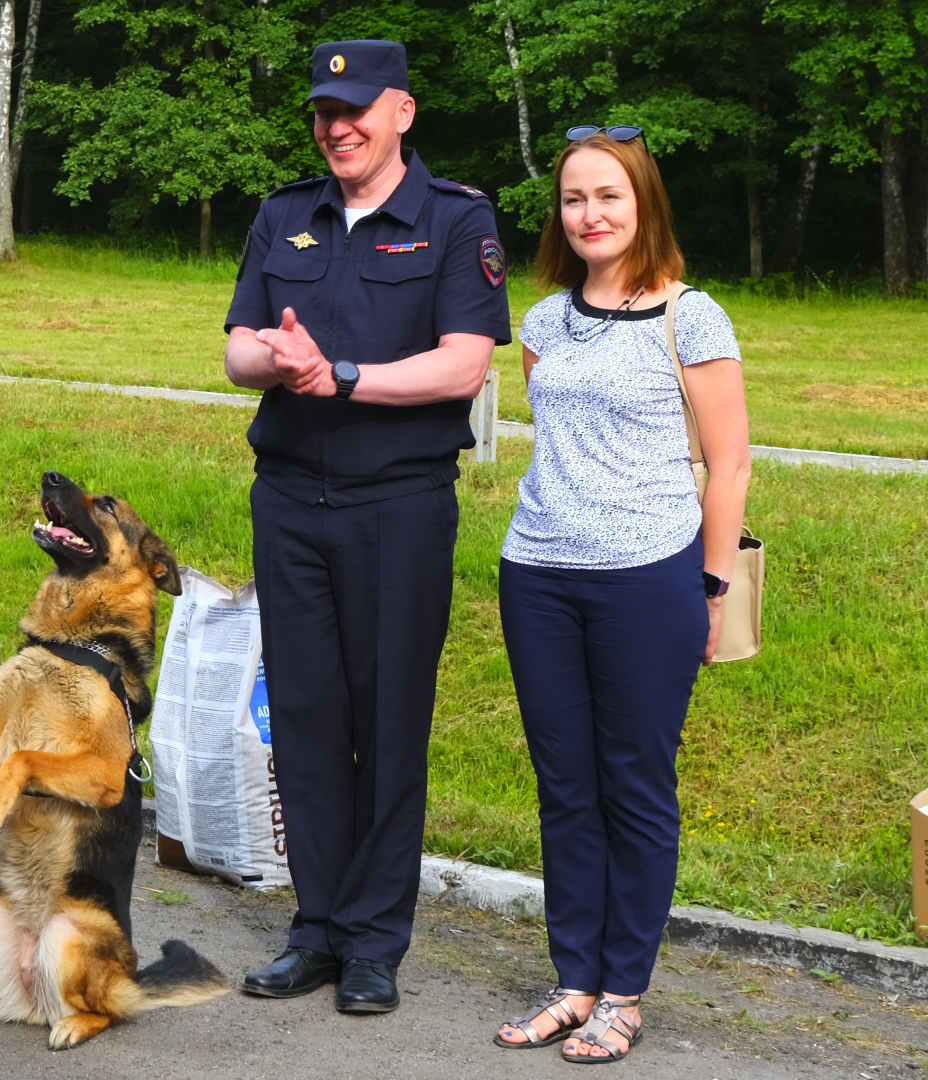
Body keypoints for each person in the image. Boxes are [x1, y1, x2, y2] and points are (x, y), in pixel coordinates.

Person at [222, 39, 511, 1013]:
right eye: (322, 111)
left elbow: (464, 364)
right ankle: (317, 928)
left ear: (402, 112)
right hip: (291, 499)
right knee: (305, 718)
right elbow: (234, 350)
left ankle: (377, 940)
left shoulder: (455, 220)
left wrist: (340, 374)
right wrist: (280, 362)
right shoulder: (284, 214)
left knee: (388, 721)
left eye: (355, 109)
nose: (336, 126)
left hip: (398, 506)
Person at [490, 128, 747, 1064]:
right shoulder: (546, 321)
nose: (589, 214)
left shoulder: (695, 317)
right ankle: (574, 982)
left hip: (651, 578)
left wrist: (710, 584)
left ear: (643, 205)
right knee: (564, 789)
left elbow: (729, 464)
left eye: (608, 196)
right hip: (539, 576)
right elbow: (552, 434)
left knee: (635, 787)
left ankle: (624, 993)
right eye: (572, 200)